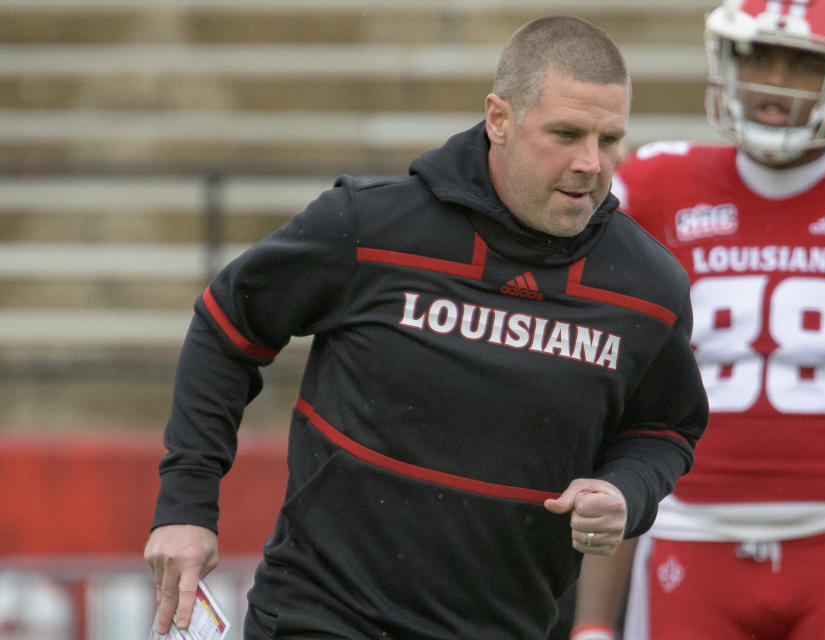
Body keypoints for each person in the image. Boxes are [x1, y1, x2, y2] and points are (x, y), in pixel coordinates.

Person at [143, 15, 709, 640]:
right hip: (322, 618)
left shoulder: (648, 287)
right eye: (566, 133)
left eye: (609, 139)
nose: (590, 163)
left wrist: (626, 492)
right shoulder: (367, 226)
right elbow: (227, 330)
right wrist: (186, 509)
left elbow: (665, 428)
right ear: (499, 119)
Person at [571, 0, 825, 638]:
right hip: (689, 545)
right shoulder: (657, 187)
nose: (774, 79)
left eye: (805, 61)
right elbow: (617, 415)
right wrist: (591, 622)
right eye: (758, 54)